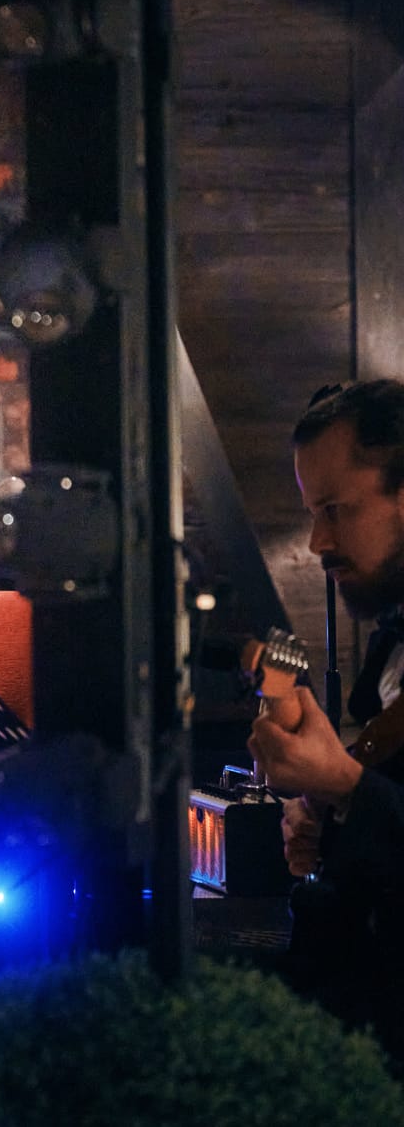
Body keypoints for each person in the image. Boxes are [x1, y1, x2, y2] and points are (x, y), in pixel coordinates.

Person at [247, 378, 404, 1065]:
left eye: (336, 510)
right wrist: (327, 813)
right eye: (314, 513)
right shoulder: (390, 639)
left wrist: (343, 786)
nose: (316, 542)